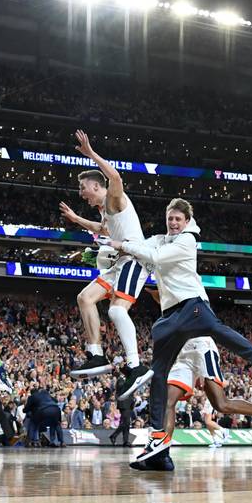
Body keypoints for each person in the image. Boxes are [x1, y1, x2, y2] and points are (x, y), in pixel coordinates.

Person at [107, 198, 252, 471]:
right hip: (178, 342)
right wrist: (104, 233)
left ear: (185, 222)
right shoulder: (160, 244)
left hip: (199, 342)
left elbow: (147, 254)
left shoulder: (186, 242)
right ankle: (161, 451)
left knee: (221, 403)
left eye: (177, 219)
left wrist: (121, 245)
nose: (173, 223)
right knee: (168, 398)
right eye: (169, 218)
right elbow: (135, 245)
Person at [58, 130, 153, 398]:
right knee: (85, 298)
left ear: (97, 187)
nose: (81, 192)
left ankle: (136, 366)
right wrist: (76, 219)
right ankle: (96, 355)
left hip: (135, 259)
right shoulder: (104, 211)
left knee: (116, 312)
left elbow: (116, 177)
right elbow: (103, 229)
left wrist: (91, 154)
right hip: (120, 262)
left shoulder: (114, 197)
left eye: (83, 187)